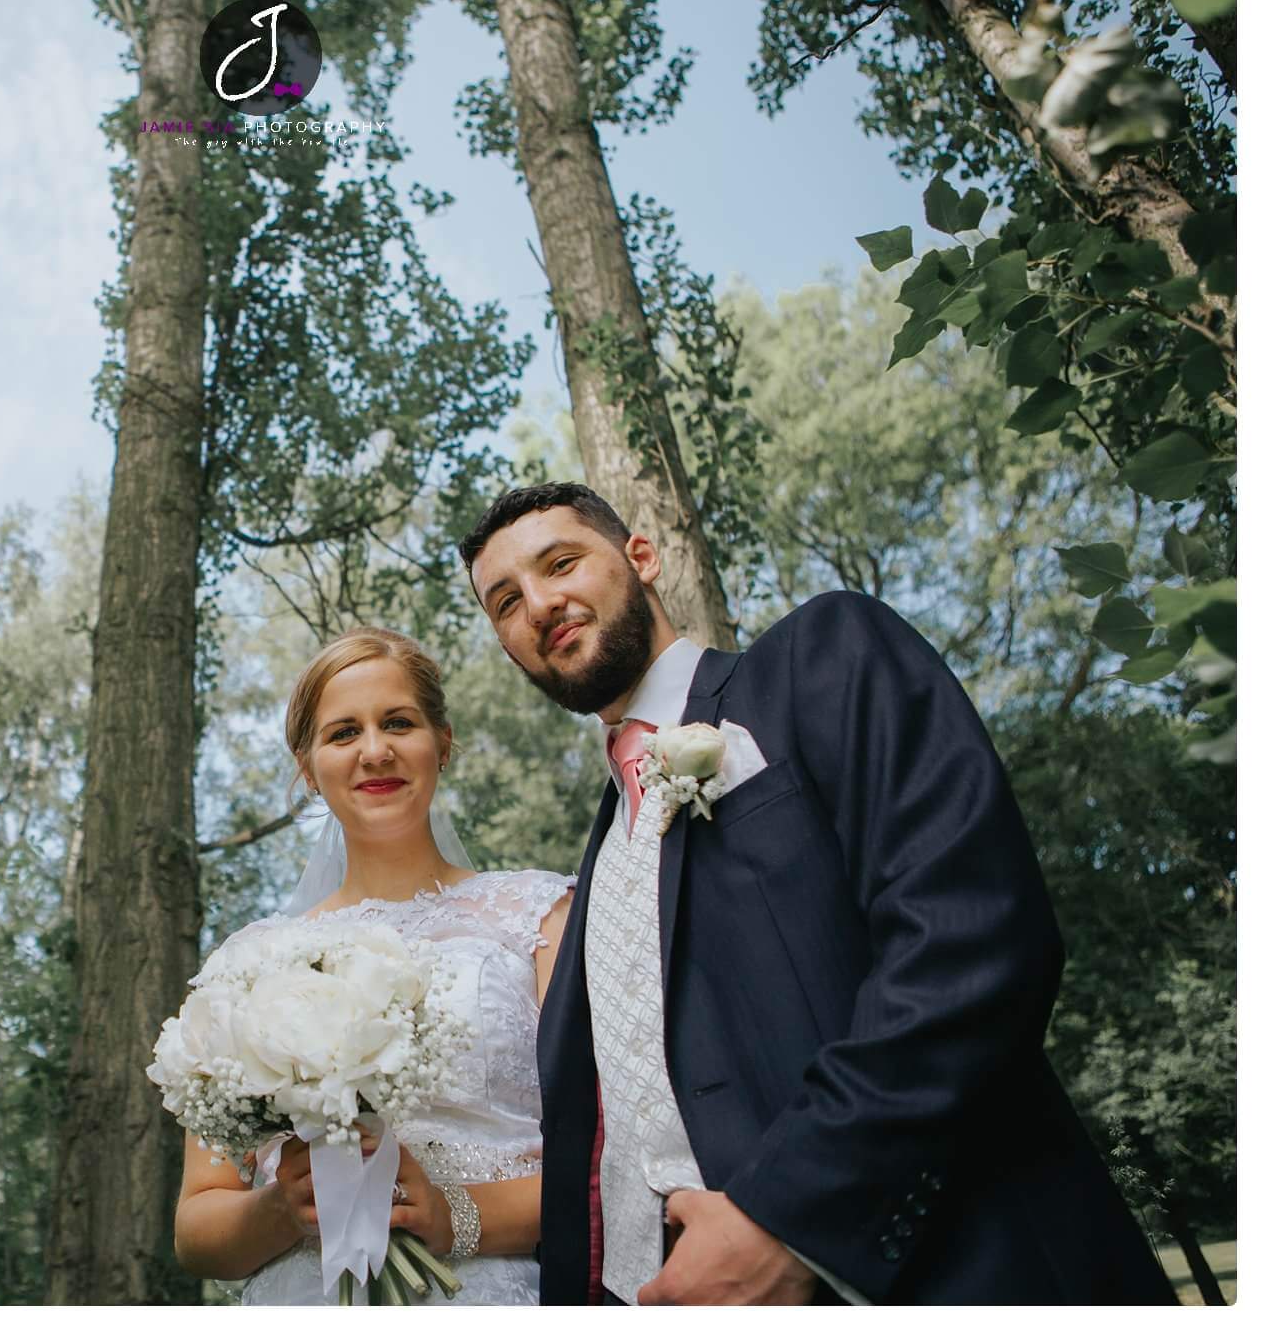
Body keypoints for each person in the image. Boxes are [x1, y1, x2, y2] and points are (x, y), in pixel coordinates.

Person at [458, 481, 1177, 1305]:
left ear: (642, 557)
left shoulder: (821, 657)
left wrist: (789, 1217)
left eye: (560, 562)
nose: (541, 603)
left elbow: (971, 939)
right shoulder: (591, 870)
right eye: (506, 601)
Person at [170, 627, 575, 1304]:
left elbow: (609, 1163)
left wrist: (459, 1214)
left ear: (441, 743)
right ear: (308, 768)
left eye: (398, 722)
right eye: (342, 733)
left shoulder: (538, 917)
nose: (375, 750)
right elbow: (195, 1225)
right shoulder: (248, 964)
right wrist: (278, 1209)